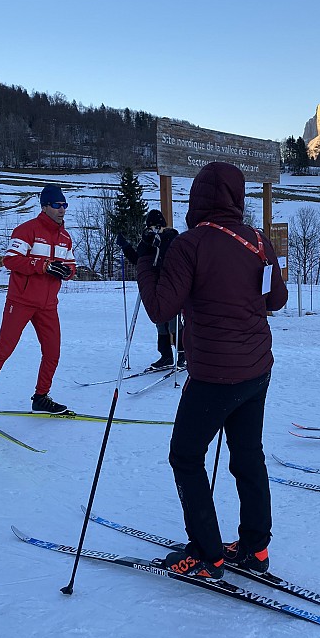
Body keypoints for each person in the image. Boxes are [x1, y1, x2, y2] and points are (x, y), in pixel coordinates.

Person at [137, 162, 288, 579]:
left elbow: (161, 309)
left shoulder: (192, 243)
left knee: (185, 456)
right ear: (237, 197)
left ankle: (208, 554)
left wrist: (146, 263)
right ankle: (256, 547)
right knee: (248, 455)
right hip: (256, 368)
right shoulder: (257, 240)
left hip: (214, 375)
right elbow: (276, 300)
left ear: (198, 197)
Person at [0, 184, 75, 421]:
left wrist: (66, 272)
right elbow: (11, 260)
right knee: (3, 350)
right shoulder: (27, 230)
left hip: (48, 304)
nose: (62, 210)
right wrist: (42, 266)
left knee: (52, 352)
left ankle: (41, 397)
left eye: (64, 205)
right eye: (57, 205)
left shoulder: (65, 237)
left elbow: (71, 266)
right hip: (21, 301)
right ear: (44, 206)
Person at [116, 210, 185, 370]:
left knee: (173, 322)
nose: (154, 229)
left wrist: (158, 241)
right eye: (151, 226)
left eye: (158, 226)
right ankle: (166, 355)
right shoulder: (145, 242)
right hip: (153, 284)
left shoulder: (171, 238)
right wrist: (126, 246)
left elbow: (171, 257)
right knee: (160, 322)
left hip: (168, 284)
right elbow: (139, 260)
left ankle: (183, 354)